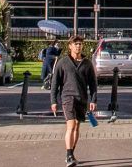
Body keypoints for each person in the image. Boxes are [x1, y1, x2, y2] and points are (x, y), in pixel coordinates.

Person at [49, 35, 97, 167]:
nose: (78, 46)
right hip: (67, 98)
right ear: (70, 46)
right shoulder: (63, 62)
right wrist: (53, 101)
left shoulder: (87, 63)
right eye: (75, 44)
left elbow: (93, 84)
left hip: (82, 98)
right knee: (70, 125)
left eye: (80, 44)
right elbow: (55, 83)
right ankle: (69, 155)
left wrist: (93, 100)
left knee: (77, 126)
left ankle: (71, 153)